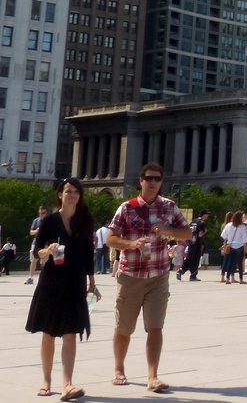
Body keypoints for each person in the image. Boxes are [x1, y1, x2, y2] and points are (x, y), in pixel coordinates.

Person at [106, 163, 192, 394]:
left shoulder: (169, 207)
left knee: (155, 327)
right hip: (130, 275)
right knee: (124, 327)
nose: (153, 182)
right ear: (140, 181)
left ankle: (153, 376)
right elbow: (110, 238)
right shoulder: (127, 208)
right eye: (148, 178)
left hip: (158, 275)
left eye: (157, 178)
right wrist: (130, 244)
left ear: (161, 182)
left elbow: (187, 233)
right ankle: (119, 369)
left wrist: (167, 230)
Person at [24, 178, 99, 400]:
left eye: (76, 192)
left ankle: (67, 384)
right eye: (68, 191)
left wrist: (92, 282)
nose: (72, 195)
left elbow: (88, 253)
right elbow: (36, 251)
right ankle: (46, 380)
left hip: (75, 281)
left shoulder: (84, 220)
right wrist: (47, 250)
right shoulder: (49, 221)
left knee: (70, 333)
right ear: (60, 194)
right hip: (52, 281)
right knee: (48, 333)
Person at [177, 210, 208, 282]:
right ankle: (193, 275)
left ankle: (180, 271)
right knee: (195, 260)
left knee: (189, 258)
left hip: (190, 242)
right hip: (197, 243)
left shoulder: (193, 222)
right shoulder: (202, 223)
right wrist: (205, 232)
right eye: (206, 215)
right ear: (203, 215)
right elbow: (200, 235)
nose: (207, 216)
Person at [220, 212, 247, 284]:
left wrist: (229, 239)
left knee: (230, 262)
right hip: (239, 246)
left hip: (231, 245)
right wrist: (245, 247)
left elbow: (223, 235)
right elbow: (244, 238)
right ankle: (241, 279)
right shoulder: (242, 226)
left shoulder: (229, 225)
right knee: (239, 263)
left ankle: (227, 279)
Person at [25, 204, 49, 285]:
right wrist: (36, 231)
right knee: (33, 260)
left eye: (43, 213)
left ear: (46, 212)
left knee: (44, 262)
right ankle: (30, 278)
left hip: (46, 243)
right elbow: (31, 232)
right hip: (36, 243)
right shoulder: (36, 221)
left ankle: (45, 278)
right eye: (40, 213)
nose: (42, 214)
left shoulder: (49, 221)